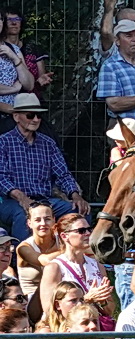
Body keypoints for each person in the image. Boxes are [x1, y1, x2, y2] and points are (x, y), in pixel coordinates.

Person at [0, 95, 86, 240]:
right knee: (23, 214)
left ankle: (75, 256)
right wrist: (22, 197)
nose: (35, 119)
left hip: (45, 200)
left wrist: (75, 195)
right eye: (30, 115)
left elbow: (63, 174)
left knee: (79, 210)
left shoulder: (48, 143)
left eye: (39, 115)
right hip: (11, 201)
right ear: (16, 117)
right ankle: (21, 259)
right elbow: (1, 177)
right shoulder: (3, 142)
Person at [38, 213, 116, 328]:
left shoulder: (97, 265)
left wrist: (103, 301)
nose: (88, 233)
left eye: (89, 229)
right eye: (81, 231)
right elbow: (50, 310)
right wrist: (86, 300)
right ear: (65, 236)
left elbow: (110, 310)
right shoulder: (54, 268)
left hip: (94, 333)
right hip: (67, 334)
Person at [16, 202, 64, 305]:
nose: (43, 223)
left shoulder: (62, 241)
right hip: (32, 301)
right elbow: (45, 261)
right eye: (37, 220)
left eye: (47, 219)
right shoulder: (23, 247)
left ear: (54, 220)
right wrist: (72, 249)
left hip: (61, 296)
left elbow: (89, 251)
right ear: (29, 224)